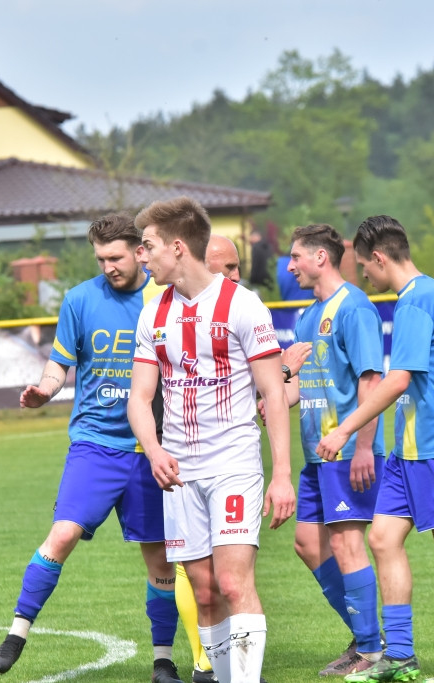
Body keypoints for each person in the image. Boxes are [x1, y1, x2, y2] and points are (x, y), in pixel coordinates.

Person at [0, 213, 189, 683]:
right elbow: (60, 365)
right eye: (100, 259)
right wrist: (43, 389)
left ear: (140, 252)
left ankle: (162, 660)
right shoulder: (79, 300)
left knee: (159, 559)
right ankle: (16, 634)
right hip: (95, 445)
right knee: (62, 535)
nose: (108, 267)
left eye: (115, 257)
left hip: (150, 450)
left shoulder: (164, 300)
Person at [128, 196, 296, 683]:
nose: (143, 256)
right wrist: (155, 450)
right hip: (180, 472)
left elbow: (273, 390)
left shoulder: (242, 305)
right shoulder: (153, 314)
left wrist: (281, 475)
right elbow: (140, 399)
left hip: (234, 464)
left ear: (178, 248)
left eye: (148, 246)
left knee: (232, 580)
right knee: (202, 591)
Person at [316, 215, 434, 683]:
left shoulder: (414, 301)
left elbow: (398, 379)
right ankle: (400, 658)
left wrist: (342, 431)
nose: (362, 277)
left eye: (362, 266)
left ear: (378, 257)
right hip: (408, 451)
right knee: (382, 538)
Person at [283, 224, 385, 676]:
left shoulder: (355, 308)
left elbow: (372, 382)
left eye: (296, 257)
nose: (290, 266)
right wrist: (269, 401)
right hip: (315, 454)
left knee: (346, 542)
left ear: (321, 257)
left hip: (346, 451)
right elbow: (301, 385)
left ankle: (371, 650)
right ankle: (368, 637)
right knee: (309, 545)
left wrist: (363, 445)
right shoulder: (307, 317)